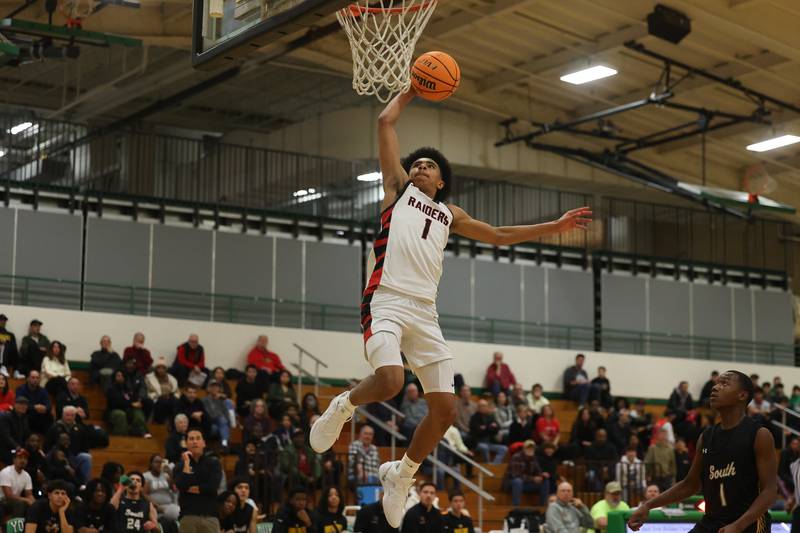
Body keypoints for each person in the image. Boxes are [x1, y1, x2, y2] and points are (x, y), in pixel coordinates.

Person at [310, 89, 591, 528]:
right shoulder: (397, 191)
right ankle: (343, 405)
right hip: (385, 298)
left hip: (425, 312)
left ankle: (401, 474)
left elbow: (499, 234)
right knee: (390, 380)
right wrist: (413, 89)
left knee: (444, 410)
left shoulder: (450, 214)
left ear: (441, 182)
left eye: (429, 166)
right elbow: (385, 123)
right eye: (417, 163)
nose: (420, 168)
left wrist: (554, 226)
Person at [629, 370, 777, 533]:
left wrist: (739, 525)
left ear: (742, 395)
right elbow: (690, 484)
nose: (715, 388)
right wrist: (648, 505)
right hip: (712, 521)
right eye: (716, 383)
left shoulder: (759, 435)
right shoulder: (706, 437)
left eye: (725, 384)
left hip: (750, 523)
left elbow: (770, 490)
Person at [174, 428, 223, 533]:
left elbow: (213, 487)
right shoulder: (180, 466)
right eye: (191, 439)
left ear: (204, 443)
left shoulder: (214, 463)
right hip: (188, 517)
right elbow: (181, 486)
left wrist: (191, 488)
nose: (195, 441)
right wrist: (186, 464)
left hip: (210, 517)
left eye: (198, 438)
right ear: (186, 444)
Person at [45, 406, 92, 485]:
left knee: (86, 457)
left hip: (74, 457)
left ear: (75, 416)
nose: (69, 417)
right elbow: (47, 445)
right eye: (67, 415)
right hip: (57, 457)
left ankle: (84, 484)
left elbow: (85, 446)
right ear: (62, 415)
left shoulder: (80, 429)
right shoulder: (54, 427)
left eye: (72, 415)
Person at [106, 370, 149, 437]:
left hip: (127, 409)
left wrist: (137, 402)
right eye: (118, 376)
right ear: (114, 377)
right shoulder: (111, 388)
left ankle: (141, 434)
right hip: (113, 410)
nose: (120, 377)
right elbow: (115, 403)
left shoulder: (127, 389)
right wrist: (131, 404)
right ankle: (120, 438)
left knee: (137, 412)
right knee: (121, 415)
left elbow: (132, 399)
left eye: (122, 376)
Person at [507, 440, 548, 506]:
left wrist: (542, 475)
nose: (530, 450)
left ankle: (543, 506)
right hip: (512, 484)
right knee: (518, 481)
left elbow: (538, 471)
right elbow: (516, 475)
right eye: (528, 448)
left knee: (545, 481)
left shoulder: (534, 458)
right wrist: (533, 479)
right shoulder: (516, 457)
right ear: (524, 449)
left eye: (532, 448)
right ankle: (516, 506)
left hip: (527, 484)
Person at [143, 454, 180, 524]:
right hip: (155, 507)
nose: (159, 464)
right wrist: (157, 506)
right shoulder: (146, 476)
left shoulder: (165, 475)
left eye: (161, 462)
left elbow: (174, 489)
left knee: (179, 512)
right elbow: (145, 494)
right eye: (156, 462)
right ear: (151, 464)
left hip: (169, 505)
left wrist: (170, 473)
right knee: (177, 514)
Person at [469, 399, 507, 463]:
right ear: (478, 407)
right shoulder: (474, 418)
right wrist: (490, 427)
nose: (485, 407)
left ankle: (493, 466)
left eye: (486, 406)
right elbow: (479, 432)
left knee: (504, 448)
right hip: (478, 443)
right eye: (482, 406)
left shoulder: (489, 416)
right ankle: (487, 465)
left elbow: (497, 428)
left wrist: (486, 428)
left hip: (489, 442)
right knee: (484, 447)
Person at [0, 448, 34, 519]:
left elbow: (29, 495)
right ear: (14, 460)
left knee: (34, 505)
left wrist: (35, 503)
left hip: (15, 501)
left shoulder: (26, 475)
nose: (23, 460)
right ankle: (14, 528)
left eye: (25, 459)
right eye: (20, 458)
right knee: (20, 504)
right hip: (2, 500)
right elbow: (9, 495)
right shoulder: (5, 472)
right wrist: (27, 500)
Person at [145, 358, 180, 425]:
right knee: (163, 402)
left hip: (170, 397)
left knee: (176, 402)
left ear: (166, 369)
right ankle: (159, 423)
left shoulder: (172, 379)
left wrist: (172, 396)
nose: (161, 370)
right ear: (156, 369)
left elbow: (177, 392)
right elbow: (148, 391)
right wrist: (159, 396)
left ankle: (173, 424)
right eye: (159, 368)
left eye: (163, 368)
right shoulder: (149, 378)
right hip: (157, 399)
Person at [16, 370, 52, 434]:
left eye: (37, 378)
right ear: (28, 379)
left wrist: (45, 408)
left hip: (39, 415)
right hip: (27, 414)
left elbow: (49, 404)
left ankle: (46, 440)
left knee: (49, 416)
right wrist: (34, 407)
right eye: (33, 377)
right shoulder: (21, 389)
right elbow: (20, 404)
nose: (35, 380)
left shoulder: (43, 391)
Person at [202, 380, 232, 451]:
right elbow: (209, 415)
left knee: (223, 424)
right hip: (210, 424)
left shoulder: (222, 400)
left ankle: (223, 444)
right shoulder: (204, 400)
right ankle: (224, 443)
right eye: (212, 387)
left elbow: (226, 414)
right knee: (220, 423)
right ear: (208, 389)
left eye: (216, 387)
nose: (214, 389)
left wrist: (227, 422)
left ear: (219, 389)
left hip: (220, 425)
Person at [0, 396, 30, 464]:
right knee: (15, 458)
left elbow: (26, 435)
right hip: (5, 448)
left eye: (26, 404)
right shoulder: (6, 417)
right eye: (21, 404)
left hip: (17, 448)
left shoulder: (24, 419)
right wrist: (17, 447)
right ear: (15, 405)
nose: (24, 406)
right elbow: (6, 436)